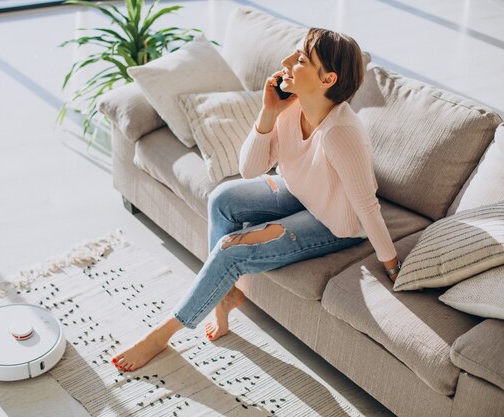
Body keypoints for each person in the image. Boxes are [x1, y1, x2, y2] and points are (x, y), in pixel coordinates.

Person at [110, 28, 402, 372]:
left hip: (337, 221)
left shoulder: (341, 132)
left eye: (301, 60)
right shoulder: (292, 109)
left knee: (232, 249)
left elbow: (366, 205)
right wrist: (268, 113)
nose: (286, 63)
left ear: (328, 78)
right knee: (221, 198)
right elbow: (249, 168)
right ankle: (226, 295)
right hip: (301, 192)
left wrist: (391, 264)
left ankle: (164, 333)